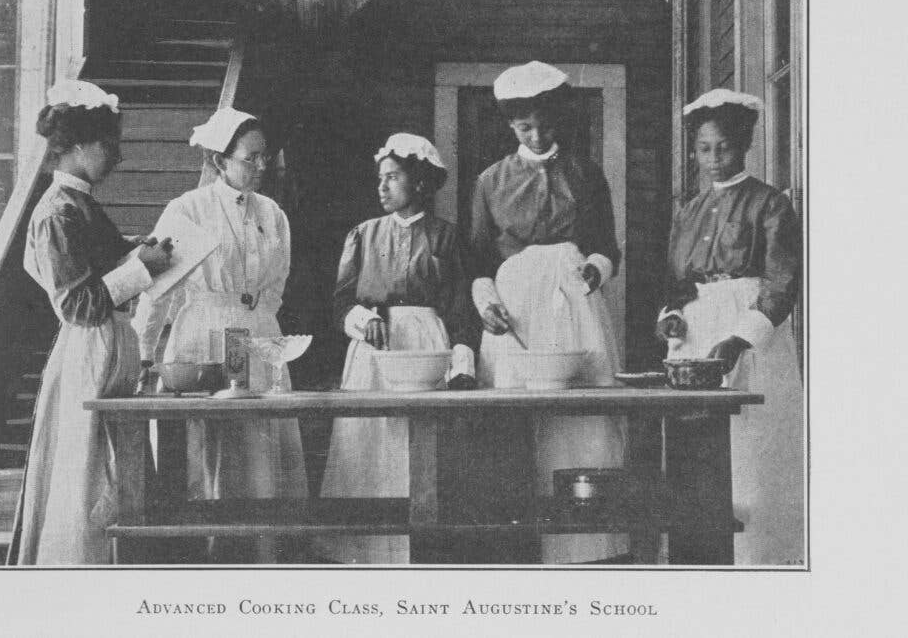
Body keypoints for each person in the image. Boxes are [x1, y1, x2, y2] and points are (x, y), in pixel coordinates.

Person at [468, 61, 627, 564]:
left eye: (545, 123)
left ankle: (586, 544)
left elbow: (606, 246)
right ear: (510, 126)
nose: (537, 135)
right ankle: (514, 542)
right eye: (524, 127)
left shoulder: (585, 172)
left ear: (559, 118)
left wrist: (595, 271)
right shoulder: (491, 180)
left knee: (581, 405)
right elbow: (476, 259)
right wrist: (485, 301)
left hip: (575, 301)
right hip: (515, 307)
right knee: (515, 413)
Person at [12, 80, 173, 564]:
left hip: (108, 343)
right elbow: (77, 304)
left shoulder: (80, 203)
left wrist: (133, 251)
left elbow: (100, 263)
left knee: (114, 459)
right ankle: (82, 563)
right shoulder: (57, 211)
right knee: (87, 466)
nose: (117, 156)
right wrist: (142, 268)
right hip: (89, 348)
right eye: (110, 145)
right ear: (79, 145)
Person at [133, 108, 308, 517]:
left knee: (258, 449)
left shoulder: (272, 213)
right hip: (204, 333)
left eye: (265, 156)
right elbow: (157, 290)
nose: (262, 165)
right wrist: (143, 352)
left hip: (259, 336)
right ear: (219, 161)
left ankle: (263, 547)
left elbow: (277, 282)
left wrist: (256, 320)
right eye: (251, 158)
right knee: (210, 449)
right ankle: (210, 548)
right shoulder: (188, 209)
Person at [314, 134, 478, 564]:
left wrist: (461, 364)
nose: (382, 187)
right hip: (374, 350)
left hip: (427, 344)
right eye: (379, 178)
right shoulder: (363, 235)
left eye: (393, 177)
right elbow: (340, 303)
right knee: (370, 444)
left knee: (419, 444)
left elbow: (460, 309)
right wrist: (362, 320)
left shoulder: (445, 237)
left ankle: (423, 553)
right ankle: (364, 553)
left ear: (420, 181)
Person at [657, 88, 803, 565]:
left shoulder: (771, 203)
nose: (714, 159)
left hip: (747, 330)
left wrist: (741, 340)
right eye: (704, 149)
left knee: (750, 447)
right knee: (696, 447)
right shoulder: (689, 210)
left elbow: (782, 284)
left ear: (743, 146)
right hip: (696, 334)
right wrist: (671, 318)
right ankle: (700, 558)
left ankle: (761, 557)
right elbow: (676, 282)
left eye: (724, 147)